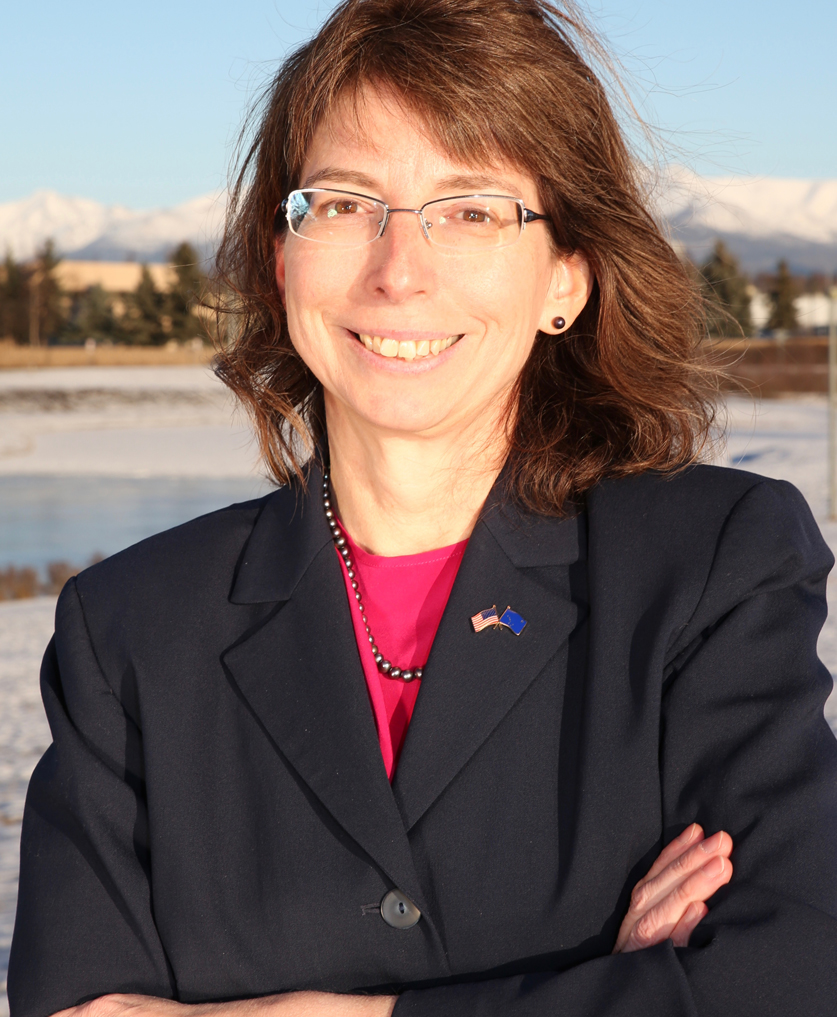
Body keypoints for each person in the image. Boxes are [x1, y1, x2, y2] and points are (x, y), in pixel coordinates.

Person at [9, 0, 837, 1014]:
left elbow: (786, 983)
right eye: (346, 204)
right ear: (282, 257)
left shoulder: (708, 571)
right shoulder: (130, 632)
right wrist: (610, 991)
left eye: (473, 209)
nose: (400, 272)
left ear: (565, 278)